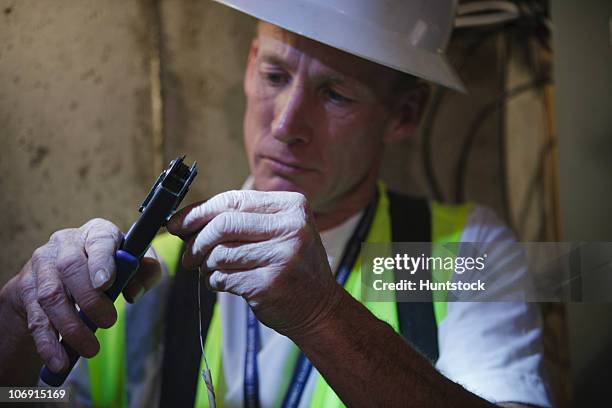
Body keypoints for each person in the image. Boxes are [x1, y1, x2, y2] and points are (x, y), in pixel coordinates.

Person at [0, 0, 552, 407]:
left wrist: (321, 314)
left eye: (335, 94)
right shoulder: (152, 274)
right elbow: (31, 402)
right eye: (274, 75)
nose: (286, 125)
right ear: (248, 65)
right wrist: (13, 330)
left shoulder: (463, 255)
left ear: (404, 114)